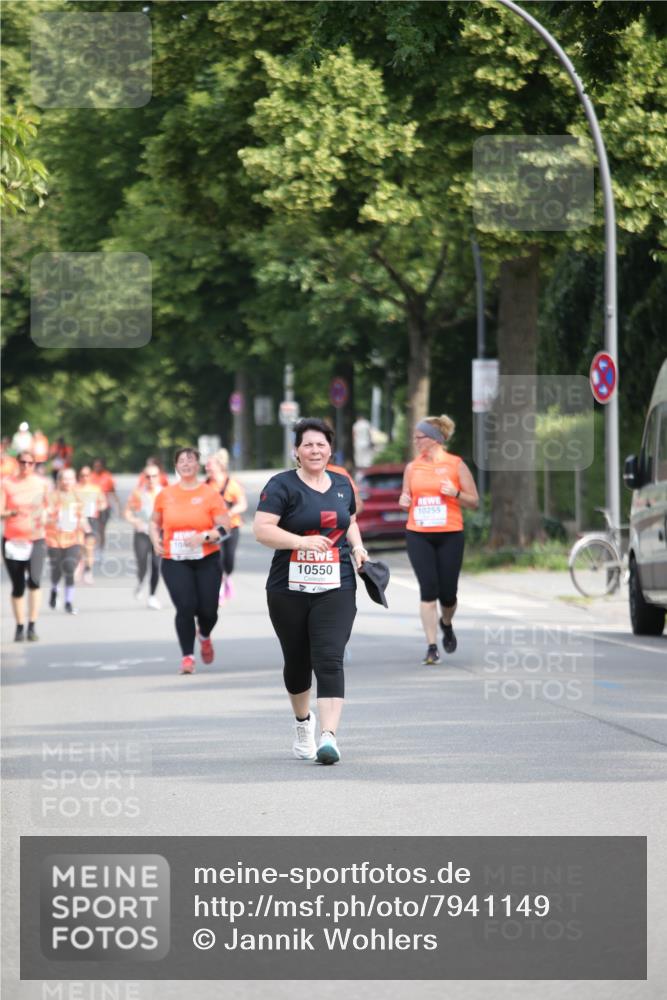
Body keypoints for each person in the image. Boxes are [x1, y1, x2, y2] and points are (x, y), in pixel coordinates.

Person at [254, 417, 369, 765]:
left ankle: (329, 737)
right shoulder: (281, 486)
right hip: (287, 587)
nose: (315, 450)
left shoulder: (342, 483)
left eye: (321, 444)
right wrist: (300, 542)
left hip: (337, 582)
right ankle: (304, 723)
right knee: (297, 660)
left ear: (330, 449)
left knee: (330, 656)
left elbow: (349, 520)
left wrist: (359, 549)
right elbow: (262, 529)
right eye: (308, 445)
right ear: (297, 451)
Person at [399, 415, 479, 665]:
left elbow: (474, 501)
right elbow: (406, 495)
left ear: (434, 440)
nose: (415, 441)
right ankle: (432, 646)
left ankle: (447, 622)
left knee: (448, 593)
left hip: (450, 534)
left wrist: (455, 492)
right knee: (428, 590)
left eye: (419, 437)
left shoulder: (456, 465)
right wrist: (404, 501)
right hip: (418, 534)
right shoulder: (413, 467)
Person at [150, 447, 231, 674]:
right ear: (176, 466)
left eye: (190, 460)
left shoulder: (209, 494)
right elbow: (154, 523)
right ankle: (187, 657)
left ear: (198, 465)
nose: (186, 464)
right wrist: (154, 539)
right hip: (174, 559)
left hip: (206, 557)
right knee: (185, 607)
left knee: (209, 611)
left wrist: (205, 536)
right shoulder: (165, 495)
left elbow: (226, 528)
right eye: (181, 461)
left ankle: (204, 635)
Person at [0, 451, 49, 641]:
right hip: (13, 540)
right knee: (18, 586)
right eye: (23, 462)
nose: (27, 466)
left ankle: (32, 626)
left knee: (35, 581)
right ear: (17, 463)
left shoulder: (42, 483)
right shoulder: (7, 483)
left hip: (36, 538)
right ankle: (19, 626)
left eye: (31, 463)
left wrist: (45, 515)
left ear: (35, 464)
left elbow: (49, 507)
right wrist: (11, 513)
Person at [205, 448, 248, 603]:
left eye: (209, 465)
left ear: (219, 466)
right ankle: (220, 590)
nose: (207, 467)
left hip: (232, 526)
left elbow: (242, 504)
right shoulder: (204, 485)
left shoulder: (231, 484)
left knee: (229, 560)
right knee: (218, 559)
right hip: (214, 529)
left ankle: (227, 577)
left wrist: (229, 513)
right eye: (206, 465)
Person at [46, 468, 86, 614]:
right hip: (54, 538)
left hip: (73, 538)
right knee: (56, 569)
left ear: (75, 480)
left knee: (69, 567)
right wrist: (54, 516)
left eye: (70, 478)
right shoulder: (52, 497)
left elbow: (82, 515)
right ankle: (54, 590)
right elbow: (46, 515)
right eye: (64, 479)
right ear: (59, 480)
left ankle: (68, 602)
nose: (67, 482)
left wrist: (84, 524)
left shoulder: (78, 496)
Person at [125, 462, 163, 609]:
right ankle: (141, 582)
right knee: (142, 565)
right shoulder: (137, 493)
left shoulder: (164, 493)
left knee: (156, 564)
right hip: (142, 533)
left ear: (159, 477)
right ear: (144, 477)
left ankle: (152, 596)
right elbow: (127, 513)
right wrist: (135, 521)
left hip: (158, 534)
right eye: (148, 476)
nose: (151, 479)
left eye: (154, 476)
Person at [76, 466, 107, 584]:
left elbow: (103, 503)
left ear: (90, 476)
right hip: (77, 520)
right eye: (82, 475)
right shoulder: (74, 489)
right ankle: (80, 565)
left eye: (87, 475)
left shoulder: (96, 489)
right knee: (78, 546)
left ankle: (88, 571)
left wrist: (97, 507)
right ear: (79, 476)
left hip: (91, 519)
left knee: (89, 547)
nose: (84, 478)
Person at [90, 458, 121, 549]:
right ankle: (92, 548)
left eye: (99, 466)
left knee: (101, 529)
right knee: (91, 529)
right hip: (92, 507)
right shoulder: (90, 476)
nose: (97, 468)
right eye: (95, 466)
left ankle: (100, 548)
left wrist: (118, 505)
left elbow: (113, 492)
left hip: (104, 507)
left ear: (103, 466)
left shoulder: (107, 477)